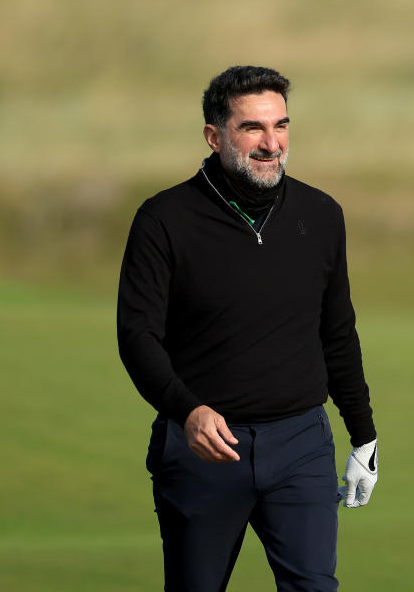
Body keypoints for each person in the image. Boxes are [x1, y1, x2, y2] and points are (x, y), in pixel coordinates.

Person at [117, 65, 378, 592]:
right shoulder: (164, 220)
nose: (271, 143)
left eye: (280, 126)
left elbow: (338, 332)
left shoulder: (321, 214)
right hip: (203, 449)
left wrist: (363, 434)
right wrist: (185, 411)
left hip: (301, 445)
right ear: (214, 137)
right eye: (252, 128)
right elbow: (137, 335)